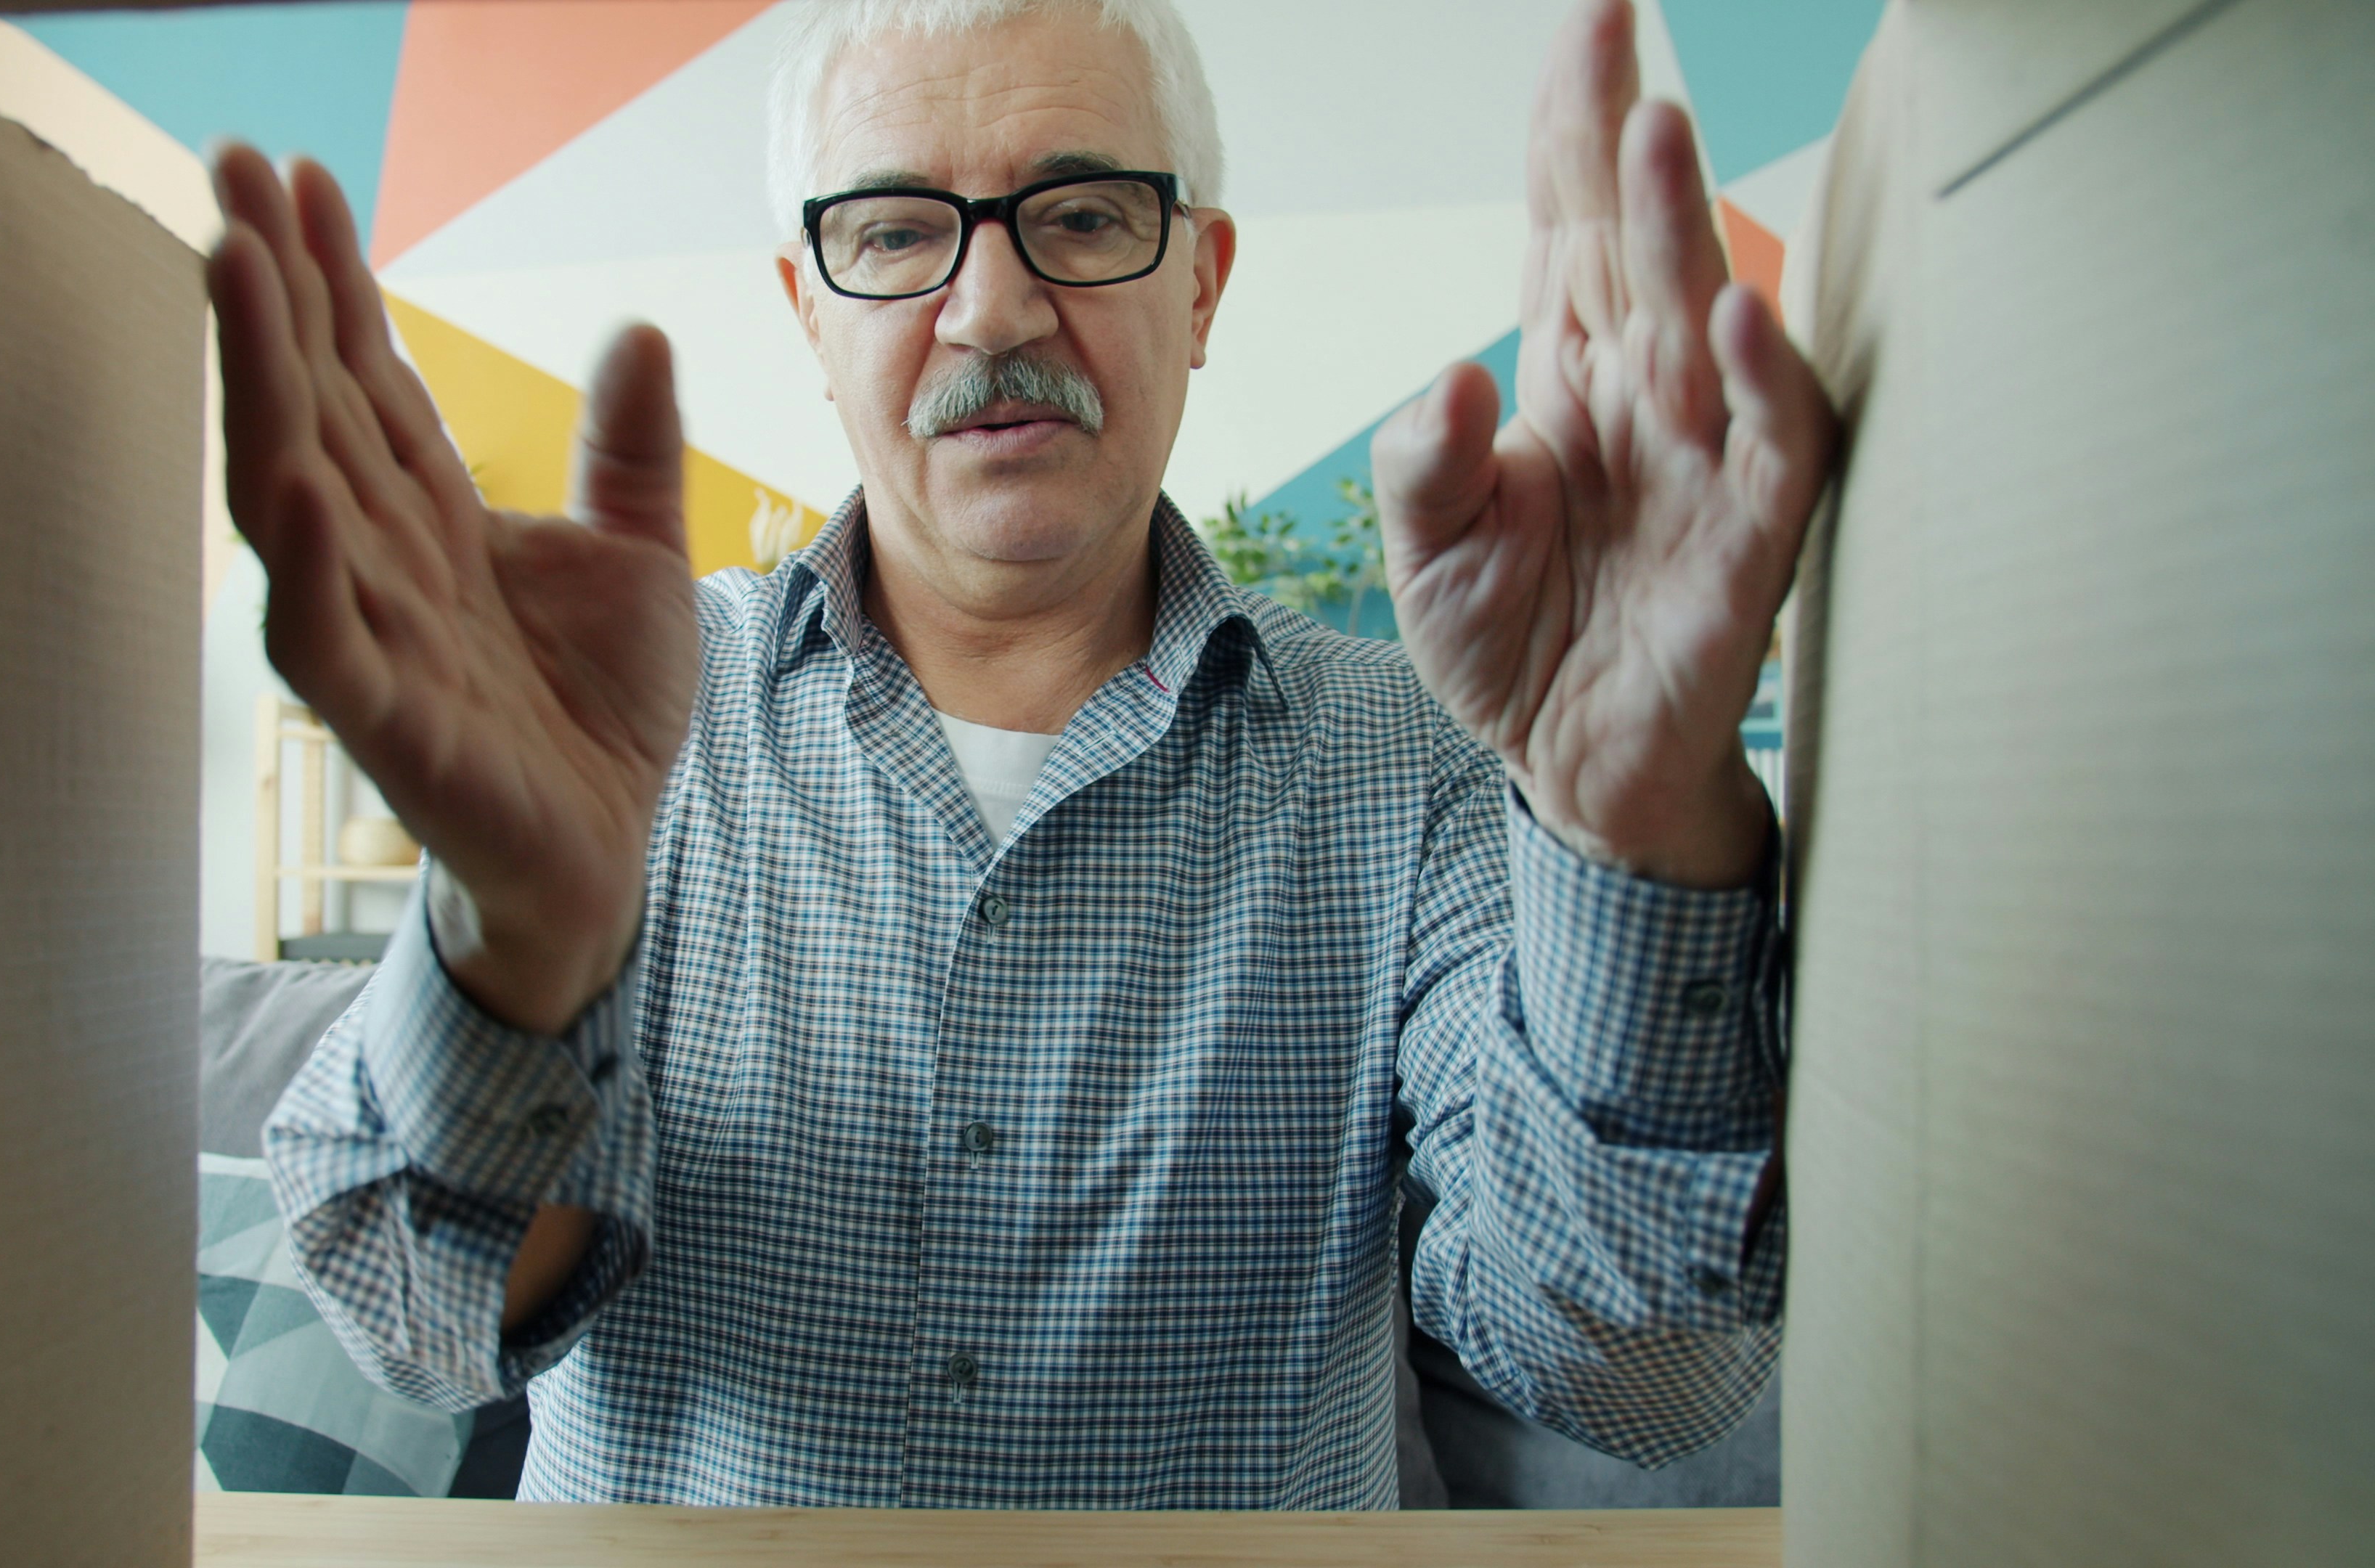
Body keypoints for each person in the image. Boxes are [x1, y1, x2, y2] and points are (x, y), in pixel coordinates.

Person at [208, 0, 1833, 1508]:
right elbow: (420, 1328)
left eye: (1082, 213)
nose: (991, 305)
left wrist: (1631, 834)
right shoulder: (612, 714)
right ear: (809, 309)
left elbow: (1639, 1375)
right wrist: (520, 949)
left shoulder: (1418, 765)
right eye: (898, 231)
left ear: (1199, 283)